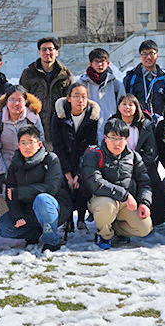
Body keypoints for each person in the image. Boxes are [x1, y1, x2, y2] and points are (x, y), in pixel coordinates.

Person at [81, 118, 153, 249]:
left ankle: (117, 230)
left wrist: (144, 202)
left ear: (127, 140)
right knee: (106, 206)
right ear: (105, 137)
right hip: (101, 199)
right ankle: (104, 235)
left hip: (125, 203)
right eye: (113, 138)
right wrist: (125, 195)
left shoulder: (133, 156)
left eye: (121, 139)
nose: (117, 143)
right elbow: (95, 182)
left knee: (145, 227)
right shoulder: (94, 154)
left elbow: (145, 182)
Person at [0, 124, 64, 250]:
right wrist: (18, 216)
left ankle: (51, 241)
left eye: (31, 142)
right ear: (18, 145)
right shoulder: (15, 165)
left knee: (42, 199)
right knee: (3, 227)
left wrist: (20, 192)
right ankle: (33, 234)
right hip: (27, 210)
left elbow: (51, 188)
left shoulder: (50, 159)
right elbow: (10, 194)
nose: (27, 146)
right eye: (23, 143)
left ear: (39, 144)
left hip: (52, 207)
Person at [50, 83, 101, 233]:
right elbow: (57, 145)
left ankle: (81, 219)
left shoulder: (92, 117)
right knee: (65, 187)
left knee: (82, 185)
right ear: (68, 98)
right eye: (76, 96)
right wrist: (68, 174)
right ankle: (67, 220)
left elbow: (91, 147)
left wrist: (78, 174)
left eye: (84, 97)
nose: (80, 100)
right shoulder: (59, 115)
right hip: (64, 157)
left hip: (83, 159)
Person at [0, 86, 43, 217]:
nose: (16, 104)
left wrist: (32, 166)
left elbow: (40, 144)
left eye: (20, 100)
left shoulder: (32, 118)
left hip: (27, 161)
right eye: (12, 100)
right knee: (4, 197)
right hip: (5, 160)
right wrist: (0, 173)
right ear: (6, 101)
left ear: (25, 101)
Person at [19, 37, 74, 144]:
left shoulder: (65, 75)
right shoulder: (28, 73)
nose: (47, 52)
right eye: (44, 49)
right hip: (34, 124)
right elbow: (22, 98)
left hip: (57, 126)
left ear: (56, 52)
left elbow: (69, 102)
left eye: (50, 49)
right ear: (39, 52)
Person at [115, 94, 162, 220]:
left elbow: (151, 151)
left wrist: (139, 166)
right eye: (124, 104)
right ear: (118, 107)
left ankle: (155, 218)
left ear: (137, 108)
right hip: (118, 164)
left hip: (141, 164)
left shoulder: (145, 125)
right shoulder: (113, 123)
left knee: (152, 179)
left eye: (131, 104)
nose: (127, 107)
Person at [123, 39, 165, 120]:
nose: (148, 57)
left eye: (151, 53)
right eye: (144, 54)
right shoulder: (131, 78)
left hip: (159, 121)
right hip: (137, 121)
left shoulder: (164, 79)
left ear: (157, 55)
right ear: (140, 56)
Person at [80, 48, 124, 121]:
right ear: (90, 64)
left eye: (102, 61)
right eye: (96, 61)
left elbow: (122, 104)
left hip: (110, 123)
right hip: (88, 123)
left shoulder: (116, 84)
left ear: (108, 63)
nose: (100, 64)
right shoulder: (82, 83)